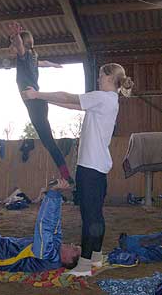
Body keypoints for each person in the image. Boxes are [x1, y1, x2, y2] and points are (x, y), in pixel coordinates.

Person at [22, 63, 134, 276]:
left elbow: (70, 97)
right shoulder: (107, 100)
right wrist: (42, 98)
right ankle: (96, 257)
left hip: (91, 168)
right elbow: (73, 105)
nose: (99, 79)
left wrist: (37, 93)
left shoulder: (103, 97)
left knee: (89, 216)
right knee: (95, 215)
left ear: (110, 78)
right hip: (96, 167)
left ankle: (84, 266)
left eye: (101, 76)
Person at [9, 22, 74, 185]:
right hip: (37, 102)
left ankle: (67, 177)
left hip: (35, 103)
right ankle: (66, 175)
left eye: (14, 44)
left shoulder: (23, 58)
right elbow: (43, 62)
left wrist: (16, 36)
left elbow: (19, 46)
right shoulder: (32, 57)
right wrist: (54, 65)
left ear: (22, 45)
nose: (12, 47)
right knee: (48, 142)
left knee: (49, 142)